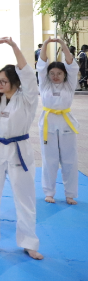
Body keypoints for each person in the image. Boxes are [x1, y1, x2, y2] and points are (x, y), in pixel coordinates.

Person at [0, 37, 42, 260]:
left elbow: (27, 73)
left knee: (25, 196)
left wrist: (15, 47)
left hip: (19, 149)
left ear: (15, 82)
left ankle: (29, 242)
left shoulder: (27, 99)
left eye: (4, 80)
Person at [37, 37, 79, 205]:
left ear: (65, 75)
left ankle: (70, 194)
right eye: (52, 74)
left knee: (70, 159)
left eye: (59, 73)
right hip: (47, 123)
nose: (55, 76)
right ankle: (49, 192)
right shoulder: (44, 85)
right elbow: (41, 65)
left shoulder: (69, 85)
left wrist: (62, 44)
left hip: (66, 123)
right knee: (49, 159)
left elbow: (71, 64)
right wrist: (46, 44)